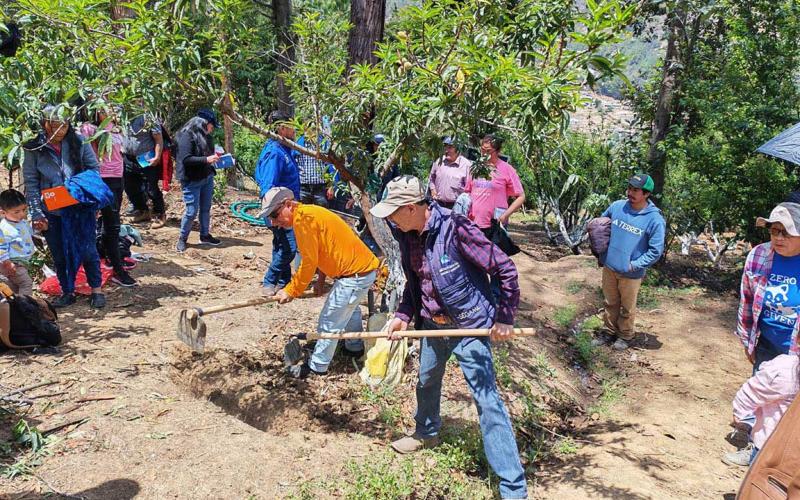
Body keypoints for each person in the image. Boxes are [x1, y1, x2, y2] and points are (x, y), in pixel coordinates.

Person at [370, 175, 528, 500]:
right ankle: (427, 432)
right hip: (433, 326)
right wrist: (403, 315)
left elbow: (505, 269)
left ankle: (514, 488)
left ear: (411, 208)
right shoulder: (406, 235)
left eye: (393, 212)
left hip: (468, 327)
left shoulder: (456, 228)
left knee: (487, 402)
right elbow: (417, 282)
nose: (389, 220)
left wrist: (504, 318)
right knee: (426, 381)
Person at [264, 187, 379, 378]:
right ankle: (354, 347)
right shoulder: (308, 214)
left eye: (275, 215)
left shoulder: (303, 221)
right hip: (359, 272)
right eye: (270, 218)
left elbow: (309, 262)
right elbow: (324, 249)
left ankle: (317, 367)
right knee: (350, 310)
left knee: (329, 320)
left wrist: (291, 290)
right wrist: (320, 280)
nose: (274, 222)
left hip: (355, 275)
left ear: (288, 205)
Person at [22, 104, 106, 308]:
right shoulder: (34, 147)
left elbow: (93, 168)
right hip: (52, 210)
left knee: (88, 250)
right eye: (54, 126)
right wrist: (36, 212)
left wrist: (79, 190)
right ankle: (68, 291)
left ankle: (96, 290)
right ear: (45, 124)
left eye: (64, 126)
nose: (60, 131)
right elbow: (31, 181)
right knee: (60, 254)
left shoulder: (79, 141)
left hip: (79, 207)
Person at [598, 173, 666, 350]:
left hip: (631, 272)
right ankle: (608, 331)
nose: (630, 192)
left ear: (646, 194)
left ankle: (625, 335)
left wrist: (634, 265)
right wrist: (600, 250)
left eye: (636, 190)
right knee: (610, 302)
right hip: (610, 267)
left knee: (627, 307)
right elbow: (601, 225)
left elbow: (655, 251)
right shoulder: (617, 206)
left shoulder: (654, 219)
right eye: (629, 188)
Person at [80, 107, 137, 287]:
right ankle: (115, 269)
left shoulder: (116, 127)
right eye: (104, 109)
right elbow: (85, 154)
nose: (110, 111)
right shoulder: (89, 128)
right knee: (103, 224)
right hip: (101, 178)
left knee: (111, 225)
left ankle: (113, 261)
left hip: (117, 177)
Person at [723, 353, 799, 467]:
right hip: (772, 441)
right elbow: (753, 391)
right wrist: (741, 413)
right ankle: (755, 454)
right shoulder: (785, 370)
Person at [254, 111, 301, 295]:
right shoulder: (275, 152)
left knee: (280, 245)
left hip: (287, 208)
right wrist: (275, 214)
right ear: (282, 129)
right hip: (279, 211)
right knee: (290, 248)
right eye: (291, 127)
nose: (294, 131)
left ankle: (283, 280)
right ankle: (270, 280)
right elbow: (268, 186)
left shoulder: (284, 149)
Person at [174, 109, 222, 253]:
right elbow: (186, 159)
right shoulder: (186, 136)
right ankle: (182, 238)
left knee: (206, 208)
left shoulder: (206, 137)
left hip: (206, 176)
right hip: (191, 179)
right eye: (211, 126)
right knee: (191, 211)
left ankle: (204, 235)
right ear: (203, 123)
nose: (212, 129)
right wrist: (207, 159)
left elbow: (208, 155)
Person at [465, 134, 525, 233]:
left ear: (498, 151)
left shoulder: (507, 169)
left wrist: (505, 215)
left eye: (488, 151)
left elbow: (521, 196)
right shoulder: (475, 168)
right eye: (482, 150)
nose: (484, 154)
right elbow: (467, 192)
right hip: (473, 224)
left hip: (495, 224)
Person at [123, 112, 166, 227]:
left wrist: (157, 156)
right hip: (129, 158)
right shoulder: (122, 114)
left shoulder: (149, 116)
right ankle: (143, 211)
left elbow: (158, 139)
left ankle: (159, 214)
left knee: (151, 188)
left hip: (146, 158)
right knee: (130, 187)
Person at [0, 190, 35, 296]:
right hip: (13, 263)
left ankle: (15, 305)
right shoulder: (4, 228)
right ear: (3, 212)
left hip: (20, 263)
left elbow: (30, 234)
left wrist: (39, 228)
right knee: (26, 283)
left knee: (14, 288)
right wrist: (7, 262)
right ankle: (26, 305)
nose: (22, 214)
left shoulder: (23, 223)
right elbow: (1, 247)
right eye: (16, 212)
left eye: (24, 210)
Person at [428, 136, 472, 209]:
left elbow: (469, 189)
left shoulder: (466, 165)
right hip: (438, 205)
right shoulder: (439, 161)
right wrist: (433, 189)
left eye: (450, 147)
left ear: (458, 149)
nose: (446, 150)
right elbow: (431, 178)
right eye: (445, 147)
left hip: (455, 208)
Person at [296, 130, 330, 208]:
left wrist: (332, 186)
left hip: (320, 187)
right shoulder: (299, 143)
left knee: (321, 212)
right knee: (303, 212)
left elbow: (330, 165)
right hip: (304, 187)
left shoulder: (323, 143)